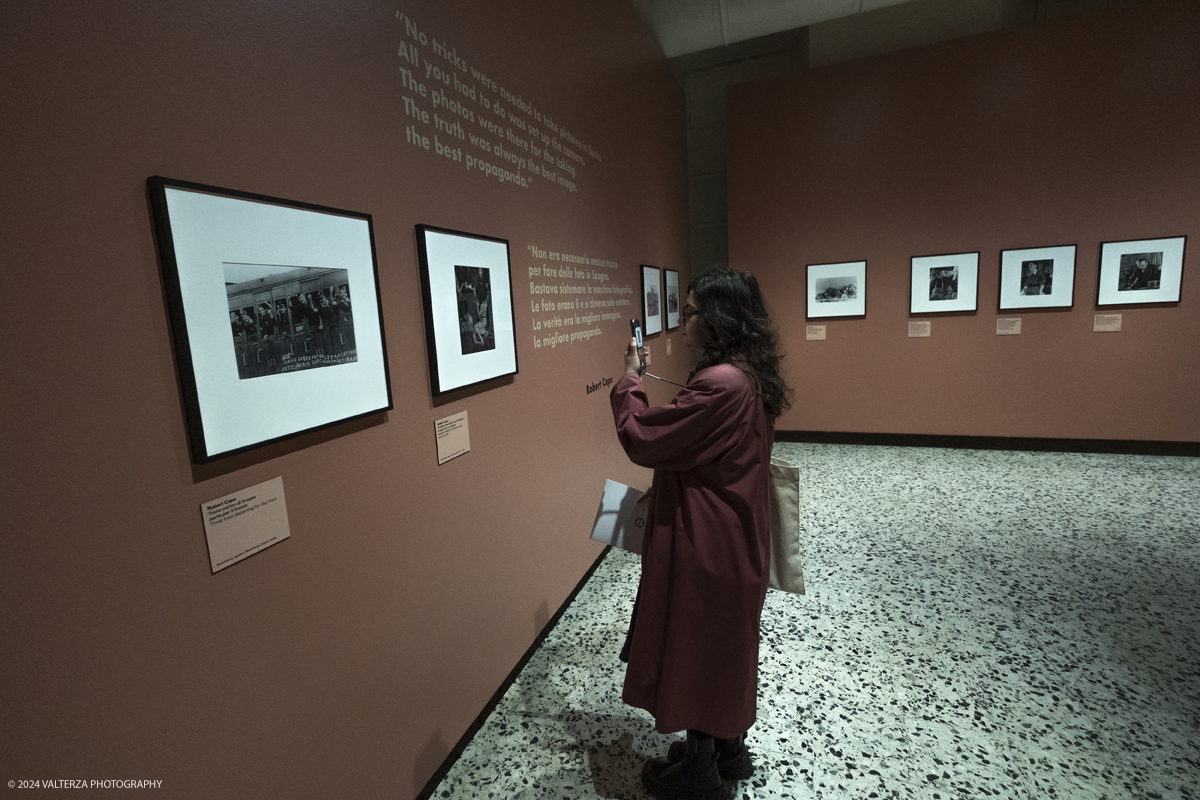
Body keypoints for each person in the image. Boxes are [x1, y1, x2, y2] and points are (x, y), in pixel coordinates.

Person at [609, 267, 792, 800]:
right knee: (723, 649)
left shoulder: (720, 383)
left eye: (689, 312)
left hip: (706, 543)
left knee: (696, 651)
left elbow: (645, 438)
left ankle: (700, 774)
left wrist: (629, 382)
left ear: (718, 318)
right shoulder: (749, 374)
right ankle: (726, 749)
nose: (684, 321)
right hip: (735, 536)